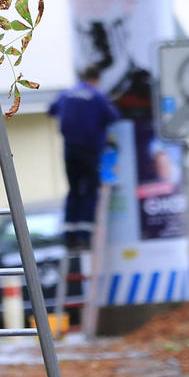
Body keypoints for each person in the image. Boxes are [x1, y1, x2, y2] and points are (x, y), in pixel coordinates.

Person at [49, 66, 119, 248]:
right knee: (89, 190)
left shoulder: (67, 94)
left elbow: (51, 110)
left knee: (73, 190)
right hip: (89, 150)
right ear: (96, 79)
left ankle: (69, 235)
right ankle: (84, 236)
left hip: (69, 149)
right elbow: (113, 117)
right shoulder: (97, 96)